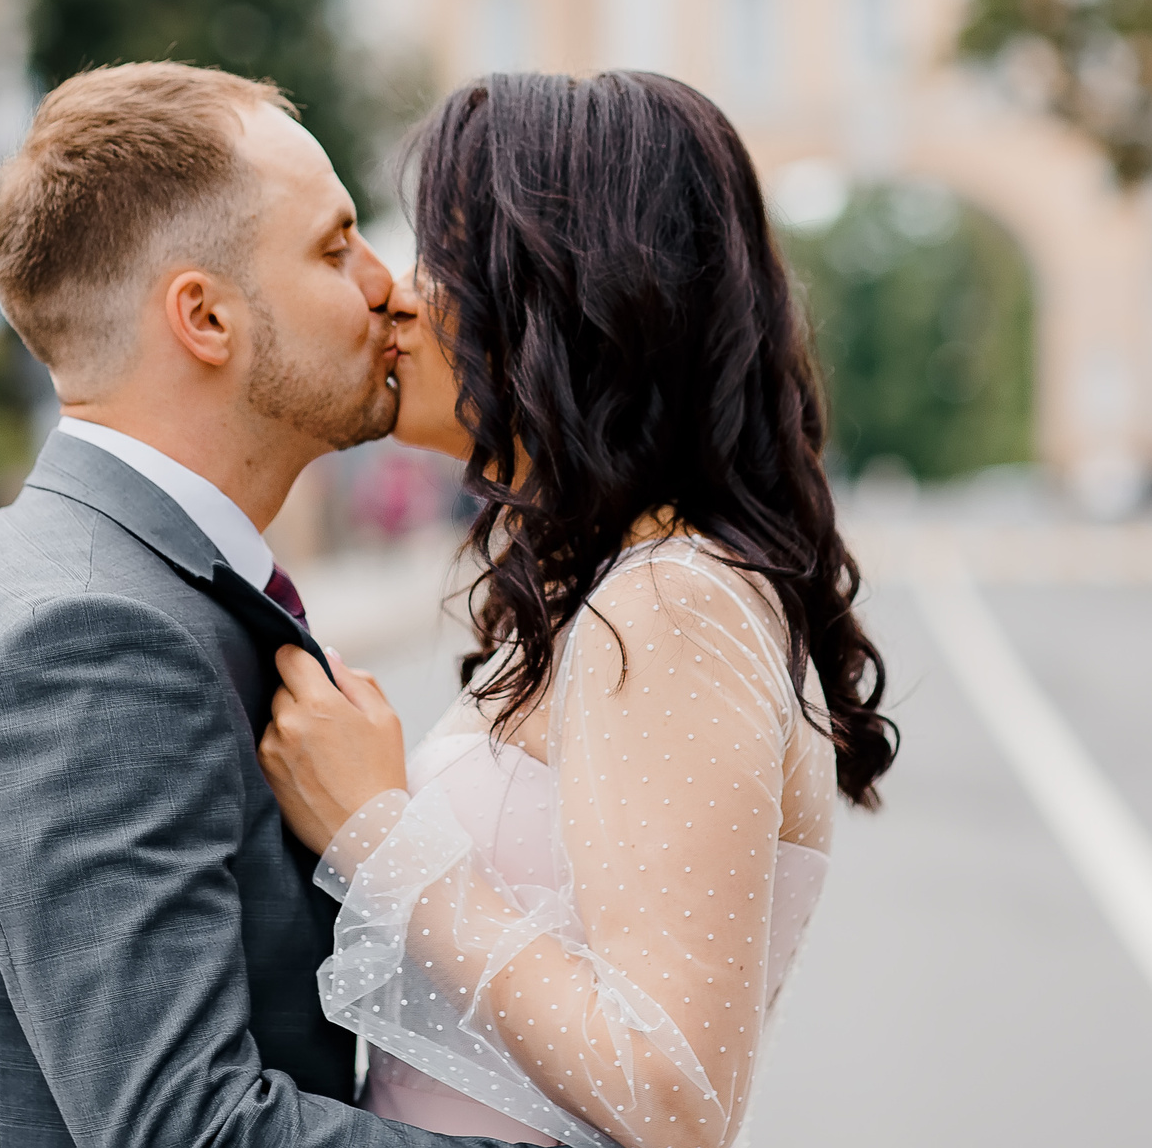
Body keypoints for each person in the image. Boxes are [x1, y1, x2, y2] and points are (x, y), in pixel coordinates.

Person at [0, 63, 517, 1148]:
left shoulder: (92, 575)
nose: (387, 287)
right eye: (334, 247)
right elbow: (189, 1129)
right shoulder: (83, 641)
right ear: (206, 316)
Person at [258, 71, 900, 1148]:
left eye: (444, 260)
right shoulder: (607, 587)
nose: (396, 297)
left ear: (570, 297)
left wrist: (377, 831)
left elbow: (675, 1096)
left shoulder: (671, 602)